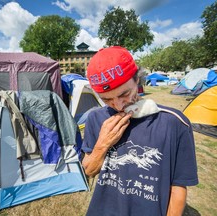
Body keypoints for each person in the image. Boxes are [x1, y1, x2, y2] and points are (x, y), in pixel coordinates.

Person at [81, 46, 198, 216]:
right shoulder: (95, 118)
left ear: (137, 79)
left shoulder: (174, 123)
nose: (119, 105)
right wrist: (102, 144)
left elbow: (178, 186)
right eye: (107, 100)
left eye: (124, 94)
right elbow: (89, 171)